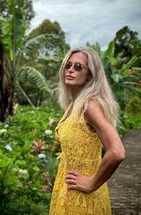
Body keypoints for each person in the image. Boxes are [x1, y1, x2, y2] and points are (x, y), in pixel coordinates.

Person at [49, 47, 125, 215]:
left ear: (90, 74)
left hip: (83, 198)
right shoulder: (73, 104)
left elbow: (117, 151)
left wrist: (91, 183)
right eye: (68, 65)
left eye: (78, 67)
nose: (70, 70)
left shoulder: (89, 106)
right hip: (66, 190)